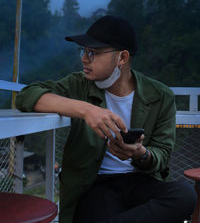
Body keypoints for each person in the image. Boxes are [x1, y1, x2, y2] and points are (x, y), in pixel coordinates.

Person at [16, 15, 196, 223]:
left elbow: (162, 154)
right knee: (97, 207)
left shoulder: (160, 95)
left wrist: (140, 153)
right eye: (83, 51)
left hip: (142, 181)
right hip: (97, 184)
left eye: (93, 53)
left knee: (185, 195)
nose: (84, 58)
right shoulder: (79, 85)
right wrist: (86, 110)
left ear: (122, 57)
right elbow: (27, 95)